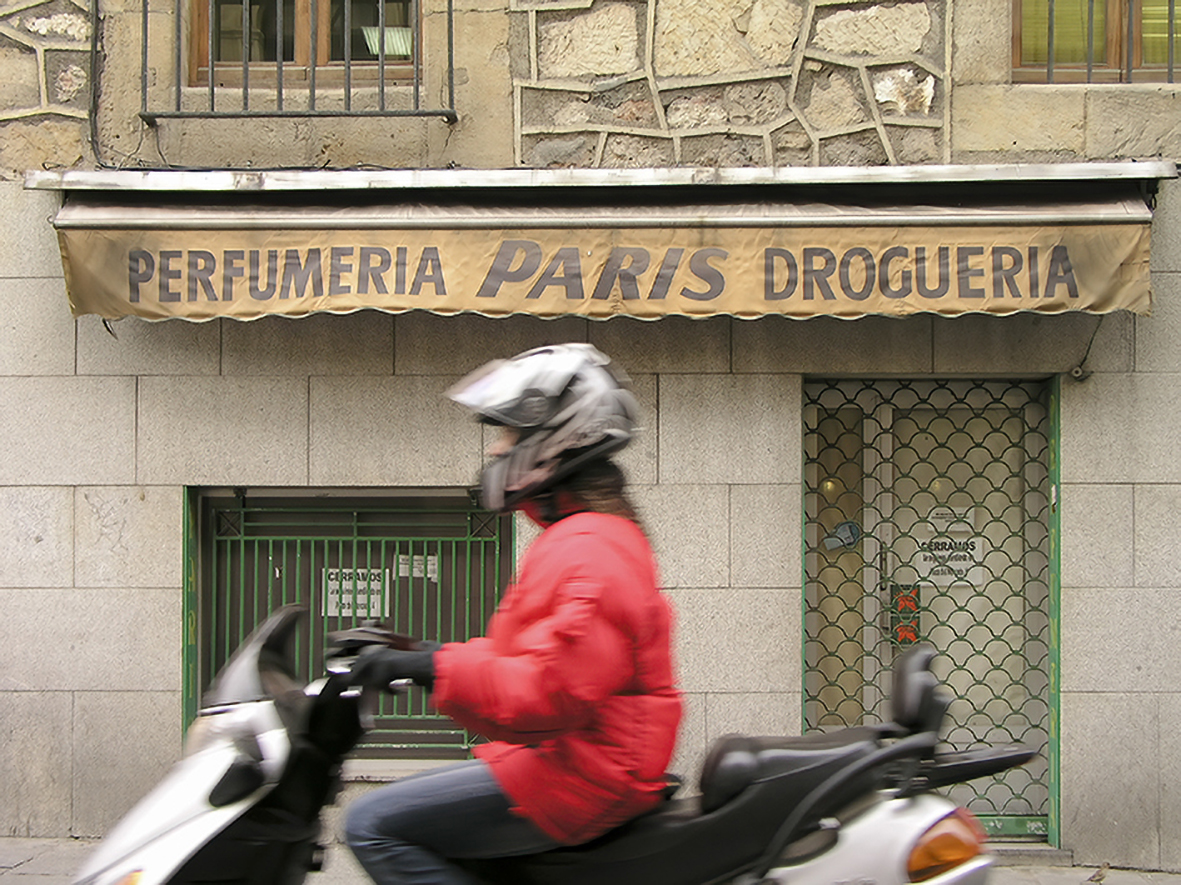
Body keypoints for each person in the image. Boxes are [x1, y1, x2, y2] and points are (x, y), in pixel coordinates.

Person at [344, 343, 683, 885]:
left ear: (554, 441)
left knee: (372, 824)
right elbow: (528, 660)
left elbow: (548, 693)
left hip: (584, 773)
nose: (496, 449)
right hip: (577, 759)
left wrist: (432, 667)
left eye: (507, 434)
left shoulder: (589, 548)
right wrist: (423, 653)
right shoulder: (582, 537)